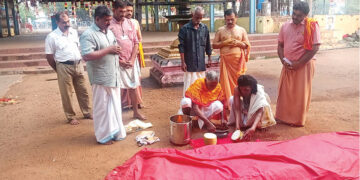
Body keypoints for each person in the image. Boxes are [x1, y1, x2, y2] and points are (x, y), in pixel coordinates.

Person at [80, 5, 126, 145]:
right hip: (100, 78)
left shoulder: (108, 31)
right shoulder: (88, 34)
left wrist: (116, 51)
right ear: (97, 19)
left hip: (113, 75)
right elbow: (87, 55)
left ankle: (116, 132)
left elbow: (111, 47)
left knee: (114, 106)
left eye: (110, 20)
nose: (108, 22)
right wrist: (109, 50)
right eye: (106, 20)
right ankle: (102, 136)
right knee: (102, 108)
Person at [275, 1, 321, 126]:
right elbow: (280, 45)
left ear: (306, 15)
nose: (295, 17)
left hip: (304, 65)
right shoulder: (285, 26)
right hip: (287, 65)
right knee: (285, 92)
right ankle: (282, 116)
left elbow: (315, 48)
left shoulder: (311, 26)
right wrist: (282, 60)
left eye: (299, 15)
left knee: (300, 93)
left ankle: (297, 120)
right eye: (293, 14)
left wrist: (299, 63)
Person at [45, 12, 91, 125]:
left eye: (68, 21)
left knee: (83, 90)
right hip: (63, 66)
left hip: (78, 64)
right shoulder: (52, 37)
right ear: (57, 23)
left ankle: (87, 112)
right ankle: (71, 116)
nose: (67, 24)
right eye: (64, 22)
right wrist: (58, 69)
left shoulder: (73, 32)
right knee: (67, 93)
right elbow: (49, 56)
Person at [109, 0, 146, 120]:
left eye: (124, 11)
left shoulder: (130, 23)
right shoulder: (109, 25)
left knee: (133, 87)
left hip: (131, 61)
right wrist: (120, 61)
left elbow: (136, 42)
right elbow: (107, 47)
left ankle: (135, 112)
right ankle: (116, 115)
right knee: (116, 89)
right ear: (113, 10)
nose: (123, 14)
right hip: (116, 63)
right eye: (120, 12)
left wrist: (132, 59)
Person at [212, 9, 251, 108]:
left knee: (240, 82)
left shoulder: (241, 30)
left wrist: (238, 43)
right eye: (228, 19)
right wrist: (224, 43)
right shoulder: (220, 30)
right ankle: (227, 104)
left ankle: (240, 103)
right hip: (225, 62)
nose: (230, 22)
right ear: (225, 19)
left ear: (236, 18)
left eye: (232, 19)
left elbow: (246, 45)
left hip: (238, 63)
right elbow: (214, 45)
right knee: (225, 83)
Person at [228, 75, 276, 140]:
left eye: (246, 90)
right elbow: (237, 109)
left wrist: (253, 128)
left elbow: (260, 112)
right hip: (246, 108)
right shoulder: (237, 89)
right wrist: (237, 126)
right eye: (241, 89)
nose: (243, 92)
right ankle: (246, 122)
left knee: (263, 104)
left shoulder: (258, 92)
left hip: (256, 109)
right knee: (231, 99)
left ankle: (260, 123)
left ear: (252, 88)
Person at [178, 6, 212, 97]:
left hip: (201, 63)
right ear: (192, 14)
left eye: (201, 18)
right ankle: (188, 107)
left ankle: (201, 106)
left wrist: (209, 58)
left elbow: (208, 44)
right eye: (197, 17)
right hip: (189, 64)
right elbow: (181, 47)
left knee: (202, 86)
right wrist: (183, 62)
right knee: (190, 86)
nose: (199, 20)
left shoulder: (204, 28)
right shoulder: (184, 29)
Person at [120, 0, 145, 110]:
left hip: (134, 55)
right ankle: (125, 102)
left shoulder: (134, 22)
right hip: (122, 57)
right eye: (127, 11)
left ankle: (138, 101)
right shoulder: (117, 23)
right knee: (122, 81)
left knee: (136, 79)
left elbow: (139, 38)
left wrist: (136, 51)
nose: (129, 13)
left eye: (131, 11)